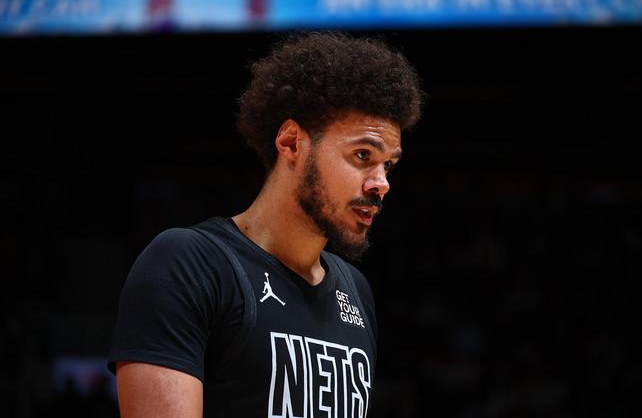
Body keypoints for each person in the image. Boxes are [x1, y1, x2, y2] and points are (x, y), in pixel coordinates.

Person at [107, 31, 422, 417]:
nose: (381, 183)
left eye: (388, 165)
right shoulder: (187, 264)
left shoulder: (356, 290)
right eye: (362, 155)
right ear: (291, 142)